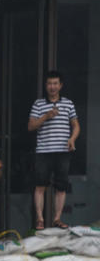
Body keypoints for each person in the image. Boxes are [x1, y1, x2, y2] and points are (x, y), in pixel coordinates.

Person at [28, 70, 80, 230]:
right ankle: (40, 219)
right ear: (46, 85)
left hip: (62, 150)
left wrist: (72, 139)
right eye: (50, 83)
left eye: (55, 83)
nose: (52, 87)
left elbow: (76, 125)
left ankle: (57, 218)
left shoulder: (68, 103)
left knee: (61, 186)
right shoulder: (38, 104)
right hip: (44, 150)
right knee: (40, 186)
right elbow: (30, 126)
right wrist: (45, 117)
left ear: (60, 85)